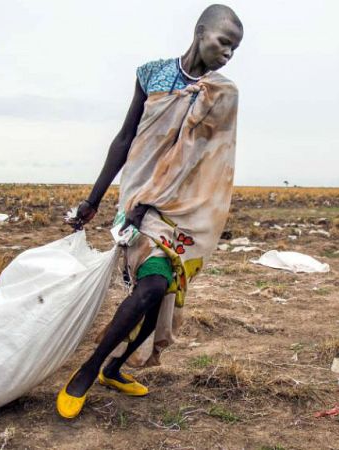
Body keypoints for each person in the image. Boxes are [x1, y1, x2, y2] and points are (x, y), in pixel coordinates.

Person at [57, 4, 243, 419]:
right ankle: (87, 372)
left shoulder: (222, 94)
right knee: (154, 285)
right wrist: (93, 200)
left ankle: (115, 369)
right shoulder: (151, 74)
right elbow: (124, 140)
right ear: (200, 32)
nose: (228, 54)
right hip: (137, 196)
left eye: (235, 50)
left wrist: (156, 200)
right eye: (224, 42)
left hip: (184, 206)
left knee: (162, 293)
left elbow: (201, 158)